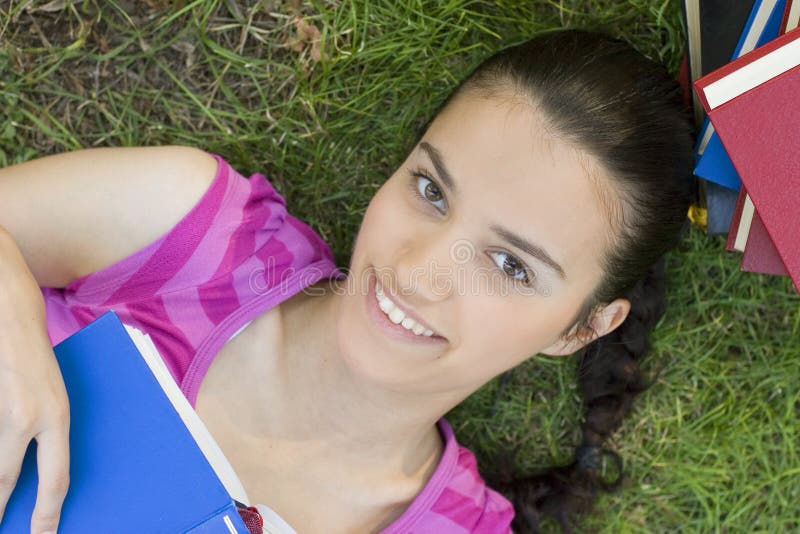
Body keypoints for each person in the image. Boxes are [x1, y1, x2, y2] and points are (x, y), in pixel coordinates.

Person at [0, 29, 693, 533]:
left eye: (511, 265)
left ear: (582, 328)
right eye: (430, 189)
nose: (420, 272)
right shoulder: (196, 237)